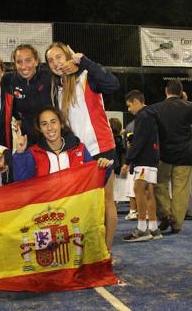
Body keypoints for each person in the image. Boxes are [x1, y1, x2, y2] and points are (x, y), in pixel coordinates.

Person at [45, 42, 120, 249]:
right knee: (81, 205)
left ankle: (106, 252)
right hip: (75, 155)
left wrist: (84, 62)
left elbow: (113, 84)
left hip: (100, 149)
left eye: (59, 57)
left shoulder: (88, 76)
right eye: (50, 60)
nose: (55, 63)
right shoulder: (55, 88)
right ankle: (86, 250)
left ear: (69, 56)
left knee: (106, 201)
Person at [0, 44, 78, 146]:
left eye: (28, 60)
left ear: (36, 61)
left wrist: (77, 65)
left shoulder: (49, 76)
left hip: (54, 136)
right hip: (29, 140)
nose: (23, 66)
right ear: (15, 64)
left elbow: (68, 75)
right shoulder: (10, 79)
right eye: (19, 62)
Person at [151, 80, 192, 234]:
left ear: (166, 91)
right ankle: (177, 224)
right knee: (181, 190)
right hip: (184, 155)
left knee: (159, 185)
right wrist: (185, 101)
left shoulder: (156, 108)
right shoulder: (190, 106)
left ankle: (166, 214)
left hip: (163, 155)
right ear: (181, 92)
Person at [13, 106, 112, 181]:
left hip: (76, 206)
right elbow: (22, 184)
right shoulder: (33, 153)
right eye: (44, 124)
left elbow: (94, 179)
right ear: (40, 129)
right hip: (47, 207)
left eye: (53, 122)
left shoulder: (79, 148)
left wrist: (103, 167)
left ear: (61, 124)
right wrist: (20, 154)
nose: (50, 128)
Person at [121, 90, 162, 242]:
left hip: (144, 160)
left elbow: (138, 141)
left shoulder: (143, 116)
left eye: (129, 105)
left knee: (139, 190)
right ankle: (153, 228)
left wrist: (127, 161)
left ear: (136, 102)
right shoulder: (151, 115)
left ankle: (142, 229)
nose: (129, 109)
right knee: (148, 192)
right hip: (152, 159)